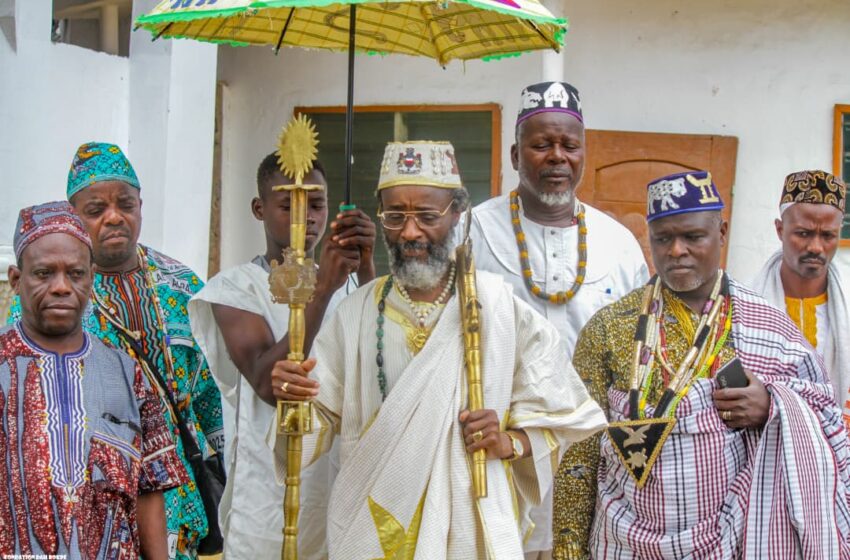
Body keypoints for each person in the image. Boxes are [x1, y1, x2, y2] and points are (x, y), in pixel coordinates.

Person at [269, 140, 607, 558]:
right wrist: (293, 401)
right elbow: (307, 434)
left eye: (427, 216)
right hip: (371, 530)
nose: (410, 232)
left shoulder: (500, 310)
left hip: (468, 532)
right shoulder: (355, 314)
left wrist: (509, 441)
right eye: (395, 217)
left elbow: (566, 414)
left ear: (458, 217)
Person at [555, 170, 850, 559]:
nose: (676, 250)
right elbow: (580, 447)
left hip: (733, 541)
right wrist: (568, 545)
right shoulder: (609, 329)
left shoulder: (772, 328)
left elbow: (830, 430)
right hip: (621, 542)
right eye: (663, 238)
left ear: (722, 233)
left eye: (693, 237)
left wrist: (773, 406)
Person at [9, 142, 224, 559]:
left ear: (140, 205)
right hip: (84, 499)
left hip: (178, 495)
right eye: (95, 209)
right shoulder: (44, 298)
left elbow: (210, 394)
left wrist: (233, 469)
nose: (114, 217)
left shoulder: (184, 287)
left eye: (125, 204)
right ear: (74, 217)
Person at [469, 81, 649, 558]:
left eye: (569, 145)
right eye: (541, 144)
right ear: (514, 154)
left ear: (584, 154)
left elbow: (643, 351)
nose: (557, 157)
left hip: (591, 458)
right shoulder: (472, 233)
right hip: (496, 451)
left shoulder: (618, 243)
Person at [188, 153, 376, 558]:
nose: (305, 216)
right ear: (259, 209)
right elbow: (266, 381)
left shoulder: (347, 283)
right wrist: (322, 287)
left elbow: (381, 358)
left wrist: (366, 267)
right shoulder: (236, 288)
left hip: (337, 487)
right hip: (265, 497)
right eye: (288, 203)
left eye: (316, 203)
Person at [2, 201, 187, 559]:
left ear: (92, 277)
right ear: (16, 279)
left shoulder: (126, 372)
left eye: (75, 274)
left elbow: (150, 488)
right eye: (43, 274)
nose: (61, 287)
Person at [751, 170, 849, 426]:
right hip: (768, 447)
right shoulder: (746, 305)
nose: (816, 247)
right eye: (803, 233)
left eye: (827, 235)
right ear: (780, 229)